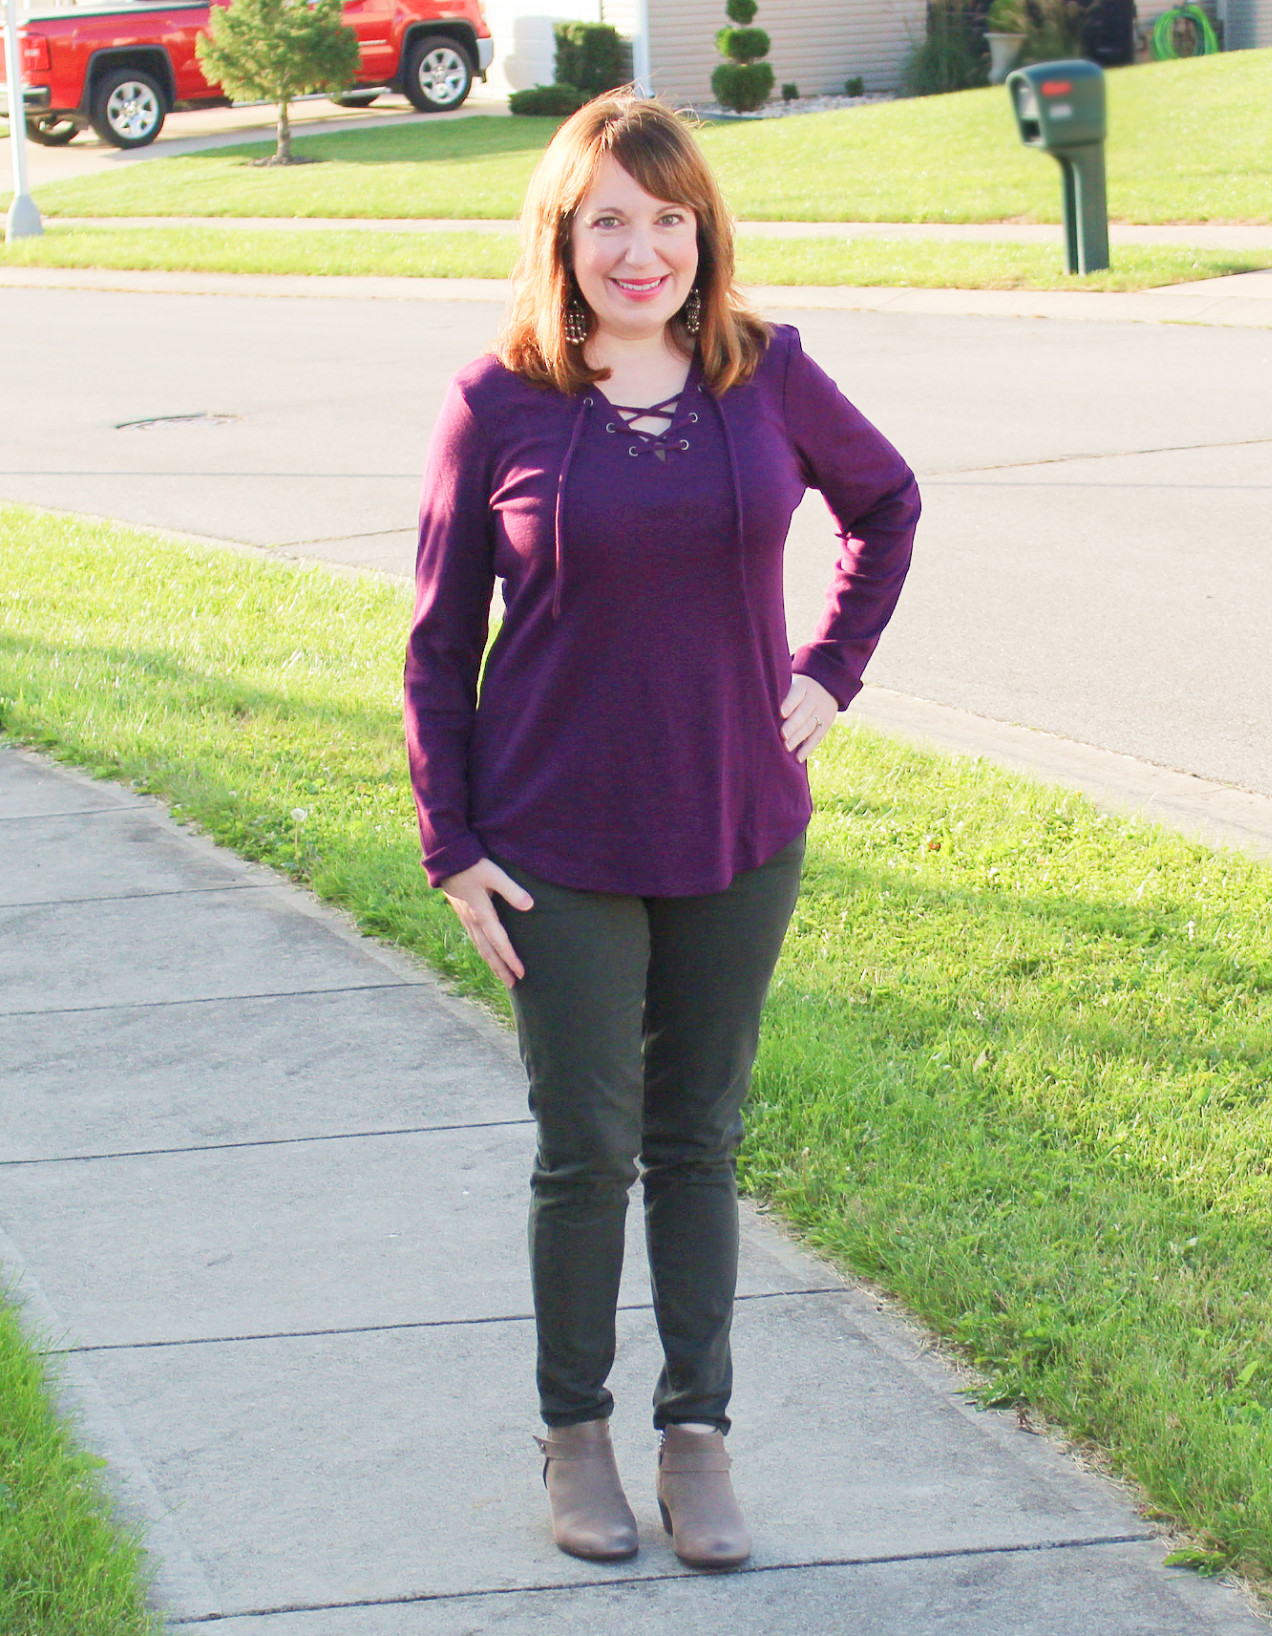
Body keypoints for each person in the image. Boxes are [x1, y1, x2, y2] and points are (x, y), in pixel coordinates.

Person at [404, 90, 920, 1572]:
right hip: (553, 842)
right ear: (561, 239)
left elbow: (885, 507)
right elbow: (438, 649)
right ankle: (576, 1434)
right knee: (587, 1149)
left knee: (698, 1139)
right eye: (609, 222)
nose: (642, 251)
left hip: (738, 825)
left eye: (667, 219)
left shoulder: (768, 373)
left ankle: (697, 1435)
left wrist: (830, 671)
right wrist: (452, 842)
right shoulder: (495, 403)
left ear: (705, 231)